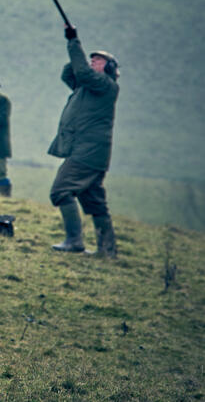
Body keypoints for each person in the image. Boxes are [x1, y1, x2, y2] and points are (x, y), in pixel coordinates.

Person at [47, 23, 120, 257]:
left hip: (87, 154)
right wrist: (76, 52)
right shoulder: (87, 86)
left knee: (60, 190)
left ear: (109, 68)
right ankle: (107, 251)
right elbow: (69, 73)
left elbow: (82, 73)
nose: (93, 62)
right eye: (92, 59)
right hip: (92, 154)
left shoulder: (106, 85)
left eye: (98, 61)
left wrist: (74, 42)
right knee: (95, 201)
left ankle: (74, 241)